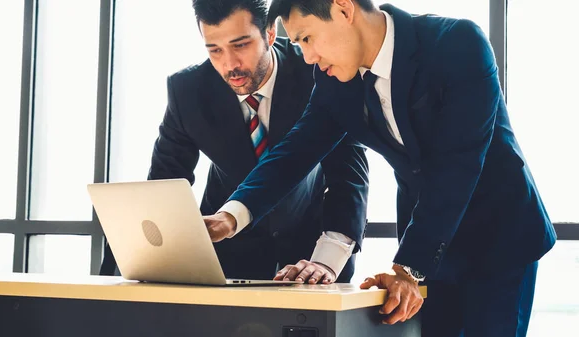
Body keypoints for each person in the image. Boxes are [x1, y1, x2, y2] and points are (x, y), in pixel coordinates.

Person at [202, 1, 557, 336]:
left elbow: (457, 165)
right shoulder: (333, 80)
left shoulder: (457, 44)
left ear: (343, 9)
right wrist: (231, 216)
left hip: (499, 239)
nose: (308, 56)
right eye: (298, 43)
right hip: (428, 247)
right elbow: (295, 151)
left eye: (308, 38)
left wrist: (408, 269)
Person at [103, 0, 369, 284]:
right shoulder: (188, 91)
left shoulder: (319, 70)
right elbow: (162, 184)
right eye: (214, 50)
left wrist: (329, 257)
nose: (230, 65)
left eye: (241, 45)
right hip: (227, 251)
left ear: (269, 33)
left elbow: (348, 172)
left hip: (312, 251)